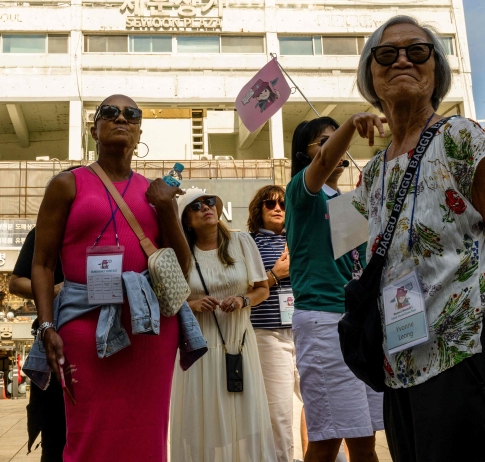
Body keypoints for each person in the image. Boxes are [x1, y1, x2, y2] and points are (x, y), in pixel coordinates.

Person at [351, 15, 485, 461]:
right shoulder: (373, 171)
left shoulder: (460, 136)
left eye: (418, 52)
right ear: (370, 75)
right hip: (402, 359)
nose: (402, 60)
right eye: (386, 53)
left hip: (469, 348)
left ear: (436, 72)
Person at [26, 95, 204, 462]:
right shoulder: (67, 184)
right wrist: (46, 326)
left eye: (131, 114)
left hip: (149, 329)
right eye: (109, 112)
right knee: (86, 432)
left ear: (140, 131)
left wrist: (168, 209)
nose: (121, 118)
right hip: (82, 323)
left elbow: (182, 270)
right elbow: (42, 264)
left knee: (147, 433)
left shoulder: (156, 191)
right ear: (94, 129)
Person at [286, 115, 381, 462]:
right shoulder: (302, 191)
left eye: (334, 138)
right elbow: (324, 162)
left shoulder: (346, 201)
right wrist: (352, 127)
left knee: (364, 440)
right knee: (327, 442)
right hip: (324, 324)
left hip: (357, 323)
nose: (332, 147)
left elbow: (360, 265)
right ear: (304, 154)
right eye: (322, 140)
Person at [170, 188, 274, 462]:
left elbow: (263, 289)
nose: (206, 207)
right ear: (186, 221)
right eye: (196, 206)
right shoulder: (182, 255)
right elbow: (169, 303)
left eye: (209, 202)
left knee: (244, 421)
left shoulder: (241, 242)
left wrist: (243, 300)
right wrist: (192, 305)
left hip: (238, 343)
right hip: (199, 349)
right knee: (202, 424)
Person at [246, 185, 305, 462]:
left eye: (282, 203)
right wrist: (274, 274)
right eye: (270, 204)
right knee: (280, 414)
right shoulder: (247, 244)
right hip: (268, 336)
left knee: (322, 404)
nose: (278, 208)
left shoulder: (300, 238)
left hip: (305, 332)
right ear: (259, 211)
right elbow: (241, 292)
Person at [10, 224, 67, 461]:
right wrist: (54, 290)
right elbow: (16, 282)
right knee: (56, 432)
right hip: (57, 338)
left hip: (107, 340)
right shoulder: (48, 229)